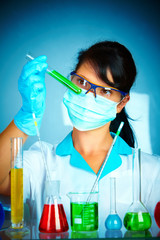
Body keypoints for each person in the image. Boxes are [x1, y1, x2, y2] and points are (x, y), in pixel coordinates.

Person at [0, 41, 160, 235]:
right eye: (82, 82)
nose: (88, 96)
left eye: (105, 91)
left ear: (122, 103)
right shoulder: (42, 159)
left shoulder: (151, 170)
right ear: (70, 81)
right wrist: (24, 120)